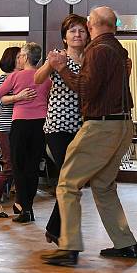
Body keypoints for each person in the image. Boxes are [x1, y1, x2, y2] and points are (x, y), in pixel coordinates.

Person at [41, 7, 137, 266]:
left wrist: (62, 68)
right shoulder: (119, 50)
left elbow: (84, 89)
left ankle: (69, 247)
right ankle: (126, 243)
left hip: (101, 126)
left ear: (92, 25)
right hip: (123, 124)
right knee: (104, 186)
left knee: (67, 184)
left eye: (84, 27)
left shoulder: (97, 50)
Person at [34, 14, 89, 244]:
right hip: (57, 125)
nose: (77, 35)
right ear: (65, 37)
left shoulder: (90, 58)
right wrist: (50, 63)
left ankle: (54, 229)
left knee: (72, 179)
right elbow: (37, 79)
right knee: (69, 178)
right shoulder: (59, 56)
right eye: (72, 31)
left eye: (81, 31)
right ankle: (57, 230)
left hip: (83, 126)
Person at [0, 43, 49, 224]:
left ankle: (24, 210)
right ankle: (28, 208)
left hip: (20, 124)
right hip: (41, 124)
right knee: (32, 168)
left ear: (24, 57)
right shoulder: (46, 78)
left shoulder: (16, 76)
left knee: (18, 167)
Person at [0, 46, 27, 218]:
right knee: (10, 164)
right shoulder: (4, 78)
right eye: (19, 56)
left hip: (20, 125)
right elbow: (1, 99)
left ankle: (19, 202)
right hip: (6, 126)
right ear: (11, 60)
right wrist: (19, 97)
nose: (22, 59)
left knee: (21, 165)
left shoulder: (22, 77)